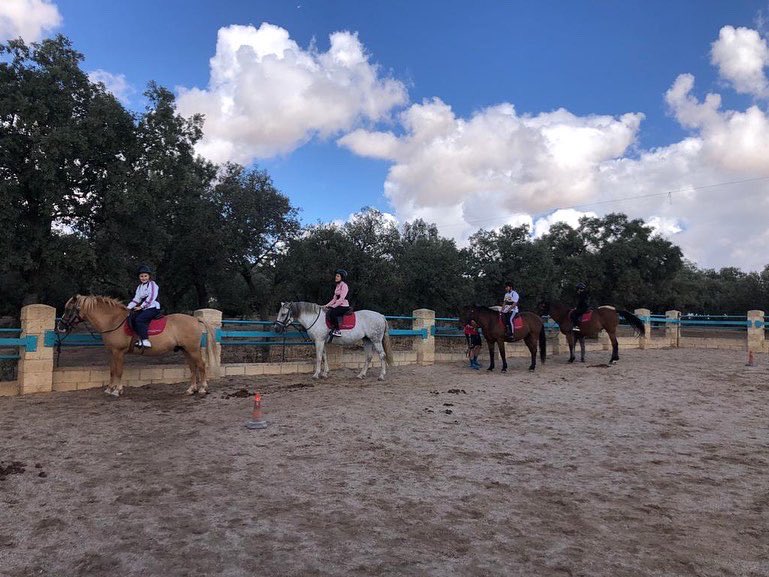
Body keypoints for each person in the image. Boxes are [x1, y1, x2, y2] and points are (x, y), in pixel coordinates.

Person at [127, 265, 161, 348]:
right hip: (145, 308)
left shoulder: (152, 284)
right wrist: (127, 308)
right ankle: (137, 338)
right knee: (132, 317)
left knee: (140, 319)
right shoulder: (139, 287)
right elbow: (136, 299)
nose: (143, 278)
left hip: (153, 307)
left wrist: (141, 307)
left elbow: (151, 297)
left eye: (145, 276)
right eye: (141, 276)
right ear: (139, 277)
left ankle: (145, 340)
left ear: (149, 276)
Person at [323, 268, 350, 338]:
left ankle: (338, 330)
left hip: (344, 306)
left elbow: (341, 299)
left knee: (332, 313)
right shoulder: (337, 286)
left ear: (342, 277)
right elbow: (334, 299)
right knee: (327, 311)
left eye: (338, 276)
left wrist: (333, 306)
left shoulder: (344, 286)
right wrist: (326, 305)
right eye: (336, 275)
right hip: (338, 305)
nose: (336, 277)